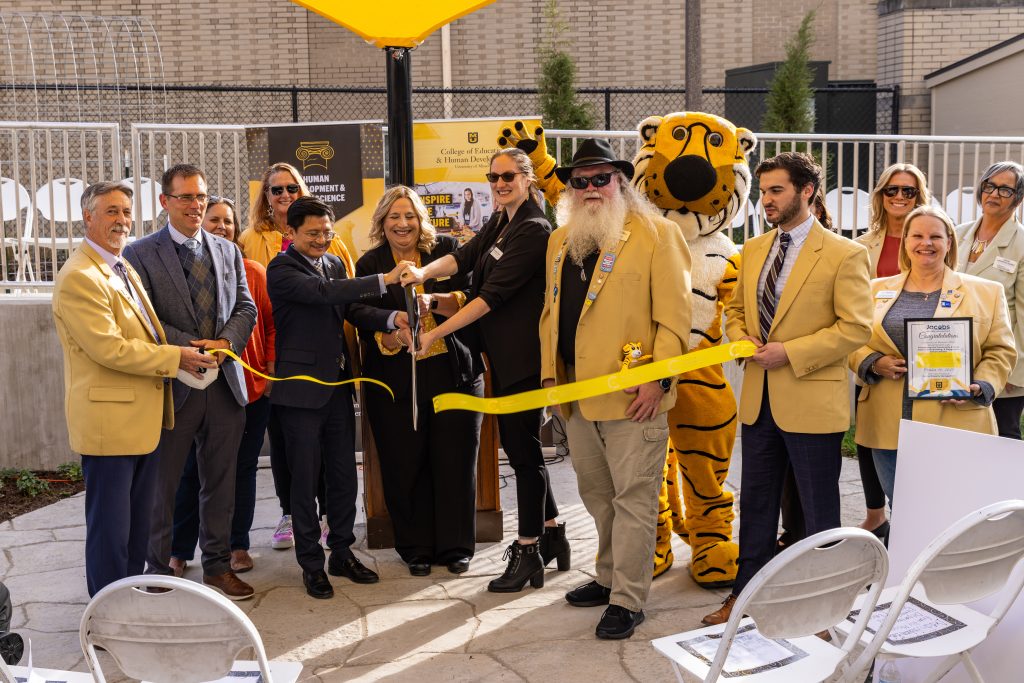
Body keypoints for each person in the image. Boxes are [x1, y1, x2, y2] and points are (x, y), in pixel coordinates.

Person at [705, 152, 873, 627]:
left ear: (807, 192)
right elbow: (734, 312)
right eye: (763, 192)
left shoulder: (845, 253)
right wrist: (738, 339)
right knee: (755, 506)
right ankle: (742, 600)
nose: (766, 201)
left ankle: (823, 610)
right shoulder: (753, 249)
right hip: (759, 404)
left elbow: (855, 327)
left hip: (811, 401)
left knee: (820, 514)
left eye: (776, 191)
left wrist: (790, 353)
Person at [538, 139, 692, 640]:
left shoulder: (657, 234)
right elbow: (550, 316)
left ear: (620, 181)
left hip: (635, 399)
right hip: (577, 395)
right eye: (578, 181)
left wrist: (658, 378)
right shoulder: (559, 241)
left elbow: (675, 318)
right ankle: (608, 578)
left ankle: (628, 598)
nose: (589, 189)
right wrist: (549, 383)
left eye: (599, 178)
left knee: (635, 498)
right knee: (598, 495)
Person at [400, 148, 569, 593]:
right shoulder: (501, 220)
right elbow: (463, 258)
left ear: (528, 178)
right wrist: (422, 274)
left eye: (508, 176)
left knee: (525, 454)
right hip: (504, 358)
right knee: (522, 448)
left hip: (525, 362)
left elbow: (489, 297)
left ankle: (529, 548)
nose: (499, 183)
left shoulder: (533, 228)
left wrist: (434, 334)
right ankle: (553, 535)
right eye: (493, 176)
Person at [52, 180, 216, 596]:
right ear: (87, 216)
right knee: (111, 533)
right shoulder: (80, 276)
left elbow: (144, 336)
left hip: (140, 423)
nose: (122, 220)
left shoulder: (119, 267)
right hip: (111, 427)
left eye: (126, 212)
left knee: (134, 531)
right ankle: (105, 620)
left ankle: (127, 604)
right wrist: (175, 357)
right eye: (111, 211)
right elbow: (110, 349)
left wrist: (183, 357)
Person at [124, 164, 258, 601]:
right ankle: (158, 570)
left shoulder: (226, 250)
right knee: (161, 487)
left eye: (201, 196)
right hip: (172, 387)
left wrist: (223, 342)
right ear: (165, 202)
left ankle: (218, 568)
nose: (196, 205)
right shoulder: (140, 254)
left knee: (221, 483)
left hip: (224, 385)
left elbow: (246, 306)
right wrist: (191, 348)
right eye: (185, 197)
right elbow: (143, 319)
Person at [267, 196, 408, 600]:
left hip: (338, 385)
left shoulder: (333, 262)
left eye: (328, 233)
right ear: (290, 233)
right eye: (313, 234)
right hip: (299, 393)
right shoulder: (281, 268)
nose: (322, 240)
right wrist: (385, 279)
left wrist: (388, 318)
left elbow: (351, 308)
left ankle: (341, 550)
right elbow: (324, 293)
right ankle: (311, 563)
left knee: (344, 473)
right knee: (305, 478)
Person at [355, 186, 484, 576]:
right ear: (382, 222)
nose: (402, 223)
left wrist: (436, 302)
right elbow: (356, 309)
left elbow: (475, 292)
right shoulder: (370, 262)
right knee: (404, 460)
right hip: (395, 378)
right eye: (394, 216)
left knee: (455, 459)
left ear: (421, 219)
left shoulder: (445, 250)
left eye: (409, 215)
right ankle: (415, 547)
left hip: (453, 371)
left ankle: (456, 546)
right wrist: (391, 332)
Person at [853, 205, 1015, 504]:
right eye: (916, 235)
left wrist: (982, 385)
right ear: (905, 241)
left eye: (935, 236)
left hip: (956, 421)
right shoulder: (874, 290)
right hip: (889, 424)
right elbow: (852, 338)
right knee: (903, 509)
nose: (925, 243)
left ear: (949, 242)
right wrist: (873, 361)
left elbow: (1001, 350)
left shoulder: (987, 292)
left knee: (954, 509)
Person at [237, 162, 351, 551]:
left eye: (291, 188)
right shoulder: (253, 243)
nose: (284, 195)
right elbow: (253, 307)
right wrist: (267, 364)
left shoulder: (333, 252)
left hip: (329, 373)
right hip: (280, 370)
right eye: (276, 190)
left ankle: (333, 537)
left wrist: (388, 318)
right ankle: (296, 522)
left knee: (335, 469)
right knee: (290, 457)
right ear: (266, 197)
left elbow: (344, 298)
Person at [168, 196, 275, 576]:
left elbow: (265, 323)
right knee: (188, 473)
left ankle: (236, 545)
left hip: (247, 388)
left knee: (240, 470)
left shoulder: (252, 271)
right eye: (214, 219)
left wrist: (265, 371)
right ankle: (179, 549)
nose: (221, 227)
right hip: (193, 381)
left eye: (228, 222)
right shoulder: (183, 268)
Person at [955, 162, 1024, 439]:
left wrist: (1010, 370)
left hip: (1002, 364)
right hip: (955, 355)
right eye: (989, 186)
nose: (994, 194)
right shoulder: (958, 233)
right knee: (960, 435)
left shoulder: (1021, 243)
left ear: (1019, 197)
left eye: (1005, 190)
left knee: (1001, 436)